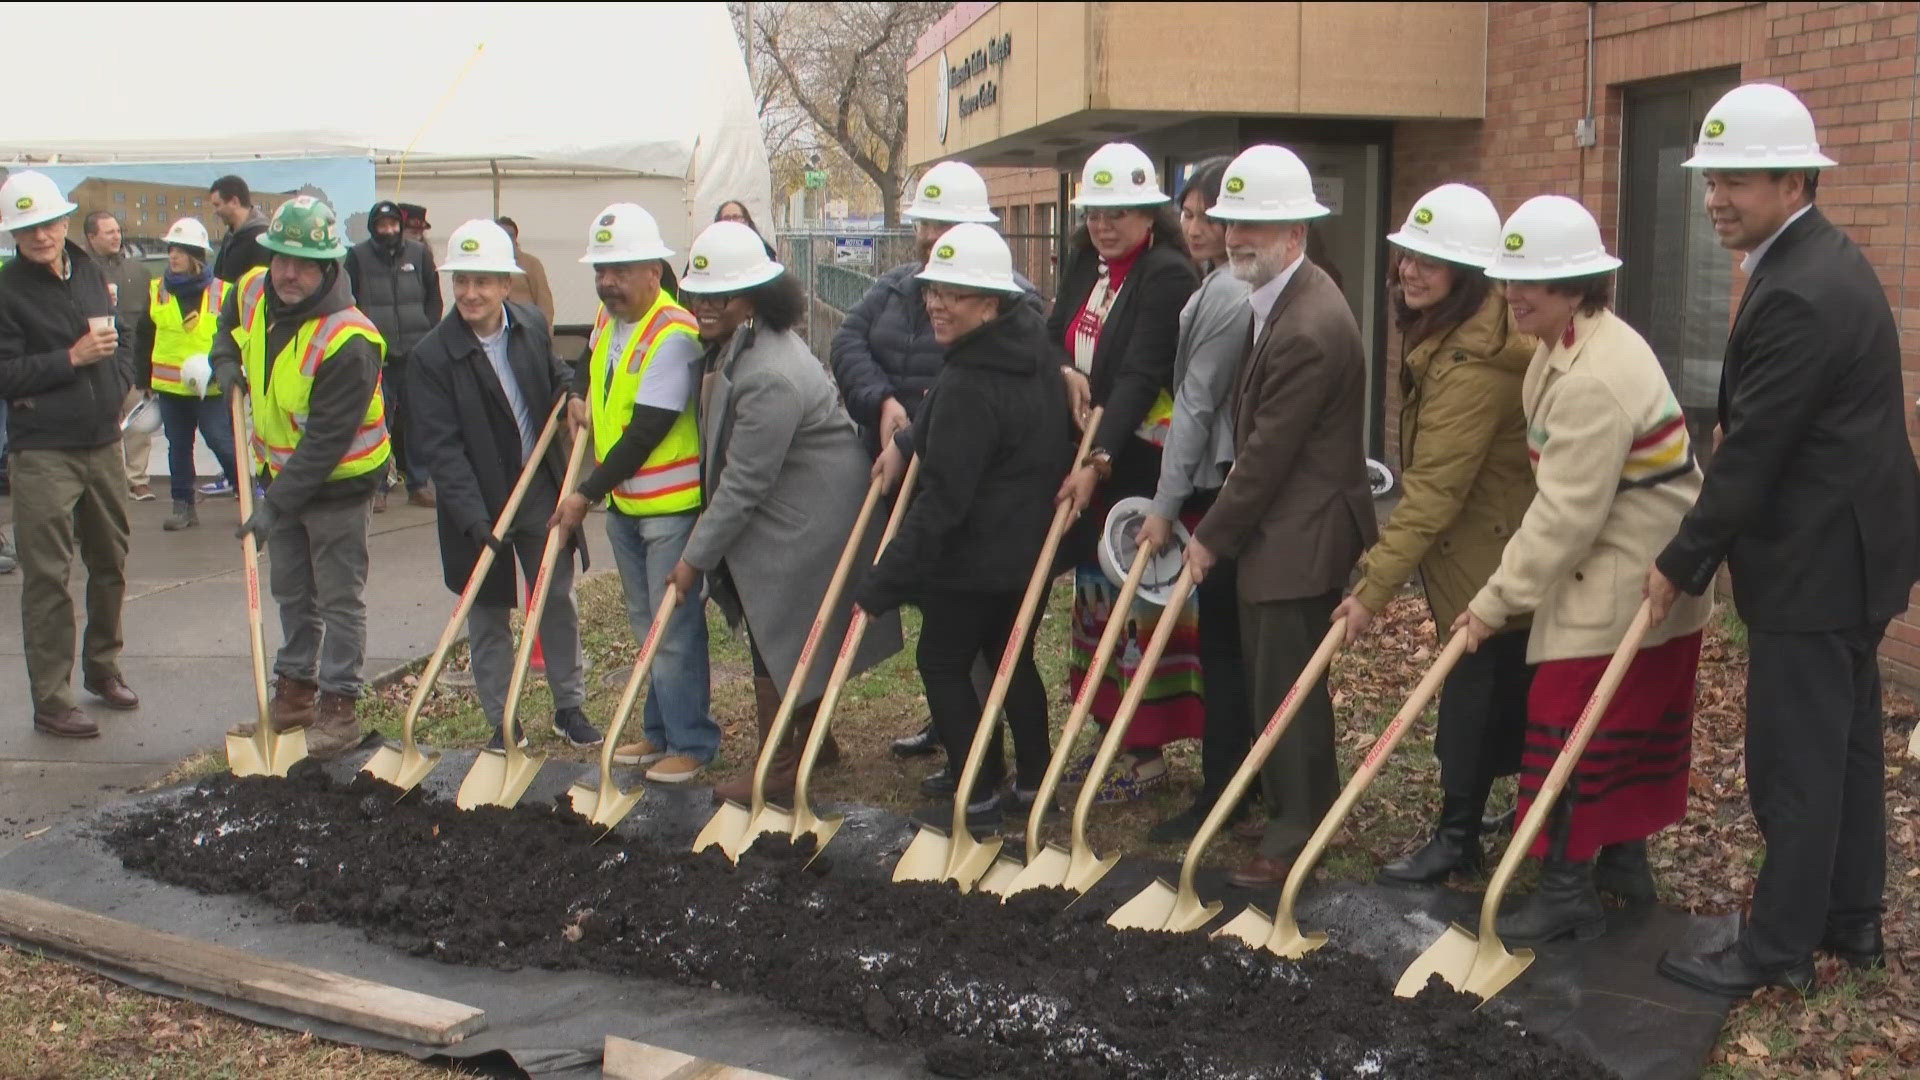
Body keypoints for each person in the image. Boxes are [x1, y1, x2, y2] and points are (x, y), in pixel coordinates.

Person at [1650, 84, 1920, 995]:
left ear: (1796, 178)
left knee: (1795, 767)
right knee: (1842, 753)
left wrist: (1682, 561)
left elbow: (1753, 449)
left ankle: (1776, 952)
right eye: (1710, 179)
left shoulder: (1802, 288)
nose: (1718, 197)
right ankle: (1850, 923)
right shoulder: (1814, 261)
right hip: (1853, 556)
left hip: (1819, 565)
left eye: (1738, 179)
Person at [1450, 194, 1712, 942]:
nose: (1512, 293)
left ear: (1578, 286)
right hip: (1630, 564)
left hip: (1633, 577)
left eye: (1532, 280)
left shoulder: (1592, 375)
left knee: (1572, 718)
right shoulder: (1565, 346)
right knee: (1616, 723)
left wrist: (1495, 602)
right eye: (1509, 277)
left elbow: (1565, 517)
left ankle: (1569, 884)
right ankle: (1621, 864)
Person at [1330, 184, 1539, 885]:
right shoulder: (1452, 337)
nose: (1409, 272)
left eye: (1431, 261)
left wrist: (1370, 591)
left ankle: (1458, 839)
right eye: (1406, 257)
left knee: (1476, 698)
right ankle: (1488, 821)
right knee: (1494, 697)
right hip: (1486, 547)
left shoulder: (1472, 367)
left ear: (1469, 277)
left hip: (1490, 558)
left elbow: (1432, 495)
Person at [1185, 145, 1377, 889]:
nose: (1238, 238)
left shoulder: (1307, 326)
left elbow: (1265, 455)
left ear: (1295, 233)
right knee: (1278, 684)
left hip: (1300, 534)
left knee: (1289, 690)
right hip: (1283, 530)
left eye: (1257, 228)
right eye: (1234, 223)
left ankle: (1298, 830)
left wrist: (1209, 540)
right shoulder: (1283, 299)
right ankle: (1294, 809)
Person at [673, 222, 902, 806]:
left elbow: (744, 482)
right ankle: (811, 744)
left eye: (718, 296)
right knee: (792, 630)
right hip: (799, 505)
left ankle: (778, 769)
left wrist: (693, 559)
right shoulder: (747, 344)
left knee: (780, 629)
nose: (703, 306)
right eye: (697, 294)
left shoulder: (769, 371)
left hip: (813, 520)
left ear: (752, 298)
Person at [855, 223, 1073, 827]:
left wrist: (882, 581)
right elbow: (940, 417)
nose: (936, 304)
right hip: (1026, 552)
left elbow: (942, 503)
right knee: (1014, 661)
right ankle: (1034, 785)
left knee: (943, 662)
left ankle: (977, 791)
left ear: (990, 302)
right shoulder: (1029, 353)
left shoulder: (973, 383)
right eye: (933, 291)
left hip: (974, 557)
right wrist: (906, 439)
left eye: (955, 293)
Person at [828, 159, 1041, 762]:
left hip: (965, 484)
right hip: (909, 478)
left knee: (975, 634)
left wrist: (907, 439)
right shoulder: (898, 287)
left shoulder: (1009, 303)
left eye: (942, 226)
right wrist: (883, 401)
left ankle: (982, 760)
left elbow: (971, 395)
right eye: (924, 225)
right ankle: (954, 730)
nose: (928, 239)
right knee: (941, 619)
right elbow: (846, 343)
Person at [210, 196, 391, 760]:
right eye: (280, 258)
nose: (288, 274)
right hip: (278, 473)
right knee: (291, 590)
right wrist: (222, 360)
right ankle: (294, 694)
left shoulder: (349, 339)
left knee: (338, 599)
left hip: (338, 484)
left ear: (329, 266)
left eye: (303, 263)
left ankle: (339, 709)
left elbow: (325, 444)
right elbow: (226, 326)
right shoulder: (252, 290)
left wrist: (273, 506)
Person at [411, 220, 603, 750]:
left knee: (555, 596)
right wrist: (476, 521)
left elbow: (552, 374)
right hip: (476, 505)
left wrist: (571, 397)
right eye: (462, 281)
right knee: (489, 612)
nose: (471, 293)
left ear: (504, 284)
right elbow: (443, 451)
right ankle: (502, 719)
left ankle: (569, 706)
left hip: (537, 489)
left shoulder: (528, 326)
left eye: (484, 281)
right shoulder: (434, 356)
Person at [546, 203, 717, 784]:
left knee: (672, 631)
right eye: (601, 270)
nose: (607, 282)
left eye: (619, 270)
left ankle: (691, 742)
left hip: (666, 508)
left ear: (654, 270)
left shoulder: (675, 334)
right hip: (627, 506)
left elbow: (646, 430)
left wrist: (584, 494)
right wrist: (575, 393)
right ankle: (659, 731)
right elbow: (587, 364)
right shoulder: (607, 318)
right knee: (646, 626)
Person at [1050, 142, 1200, 802]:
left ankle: (1143, 755)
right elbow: (1050, 331)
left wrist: (1100, 459)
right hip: (1087, 453)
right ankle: (1108, 733)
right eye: (1095, 212)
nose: (1104, 225)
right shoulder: (1089, 263)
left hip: (1137, 463)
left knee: (1132, 605)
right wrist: (1061, 372)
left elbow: (1141, 374)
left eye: (1121, 212)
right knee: (1094, 600)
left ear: (1150, 214)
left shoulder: (1167, 275)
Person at [1135, 156, 1255, 842]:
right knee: (1228, 645)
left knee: (1227, 648)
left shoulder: (1232, 294)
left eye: (1213, 214)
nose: (1199, 225)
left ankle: (1225, 787)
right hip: (1218, 481)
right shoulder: (1216, 285)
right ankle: (1238, 778)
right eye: (1190, 212)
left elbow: (1198, 403)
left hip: (1226, 488)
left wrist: (1164, 502)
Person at [0, 171, 140, 738]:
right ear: (14, 233)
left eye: (47, 223)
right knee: (47, 577)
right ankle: (53, 700)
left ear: (64, 221)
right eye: (26, 227)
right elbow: (6, 374)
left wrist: (120, 381)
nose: (40, 236)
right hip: (43, 452)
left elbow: (122, 333)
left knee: (110, 562)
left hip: (103, 441)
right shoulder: (6, 291)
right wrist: (73, 359)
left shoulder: (88, 269)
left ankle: (103, 669)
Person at [137, 218, 242, 532]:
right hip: (170, 388)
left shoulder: (223, 292)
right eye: (171, 250)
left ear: (197, 255)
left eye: (180, 250)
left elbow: (239, 334)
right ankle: (182, 505)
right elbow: (145, 335)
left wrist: (235, 371)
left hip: (210, 386)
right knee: (178, 446)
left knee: (222, 441)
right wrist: (143, 379)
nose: (173, 256)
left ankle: (247, 494)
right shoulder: (158, 291)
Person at [346, 200, 442, 511]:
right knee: (377, 421)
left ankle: (418, 484)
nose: (388, 230)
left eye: (393, 225)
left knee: (418, 420)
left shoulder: (419, 255)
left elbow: (434, 297)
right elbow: (350, 300)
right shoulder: (358, 257)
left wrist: (428, 331)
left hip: (415, 352)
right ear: (373, 227)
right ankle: (379, 487)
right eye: (382, 225)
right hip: (376, 354)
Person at [84, 211, 156, 502]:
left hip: (134, 361)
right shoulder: (81, 272)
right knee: (100, 426)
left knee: (138, 426)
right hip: (94, 365)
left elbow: (150, 323)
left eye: (117, 231)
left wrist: (148, 367)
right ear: (91, 238)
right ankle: (104, 484)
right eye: (108, 232)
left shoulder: (139, 273)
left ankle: (138, 480)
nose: (116, 236)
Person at [495, 217, 557, 330]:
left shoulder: (530, 263)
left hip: (527, 327)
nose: (506, 239)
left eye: (510, 235)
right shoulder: (489, 265)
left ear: (515, 238)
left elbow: (544, 301)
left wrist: (544, 331)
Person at [207, 175, 271, 283]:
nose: (215, 211)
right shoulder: (230, 236)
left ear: (234, 202)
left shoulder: (262, 239)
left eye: (217, 205)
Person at [713, 200, 778, 259]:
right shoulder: (712, 247)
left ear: (745, 221)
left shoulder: (761, 248)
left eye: (736, 217)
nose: (731, 221)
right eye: (726, 218)